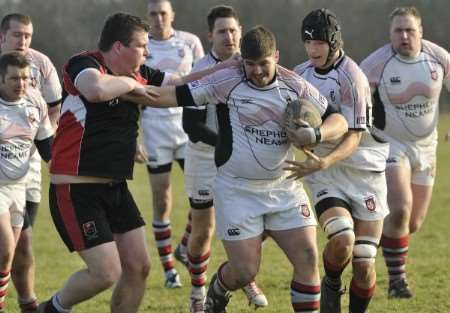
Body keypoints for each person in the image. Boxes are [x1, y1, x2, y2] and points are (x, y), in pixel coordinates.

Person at [37, 12, 237, 313]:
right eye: (142, 46)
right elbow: (96, 90)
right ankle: (50, 309)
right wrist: (131, 87)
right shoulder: (85, 64)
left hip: (115, 189)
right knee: (106, 273)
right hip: (76, 191)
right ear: (118, 47)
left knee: (139, 266)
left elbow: (180, 82)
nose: (147, 52)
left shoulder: (140, 72)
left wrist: (227, 69)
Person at [140, 25, 348, 313]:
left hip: (284, 186)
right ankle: (218, 291)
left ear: (276, 56)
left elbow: (338, 120)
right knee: (245, 271)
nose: (258, 71)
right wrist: (125, 90)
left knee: (307, 258)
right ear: (243, 62)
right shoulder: (226, 81)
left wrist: (316, 135)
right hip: (237, 190)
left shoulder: (295, 85)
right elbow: (169, 97)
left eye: (264, 63)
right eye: (251, 65)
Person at [289, 9, 390, 313]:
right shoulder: (300, 75)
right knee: (343, 239)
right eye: (308, 43)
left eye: (319, 42)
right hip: (326, 174)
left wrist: (326, 159)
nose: (313, 49)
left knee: (363, 260)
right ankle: (332, 281)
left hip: (365, 172)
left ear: (333, 42)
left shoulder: (353, 78)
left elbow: (355, 137)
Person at [181, 5, 267, 312]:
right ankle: (196, 294)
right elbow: (191, 127)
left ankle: (242, 273)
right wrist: (226, 145)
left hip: (243, 159)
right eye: (221, 31)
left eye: (233, 30)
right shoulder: (201, 70)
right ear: (210, 35)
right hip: (205, 158)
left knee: (254, 223)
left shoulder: (253, 67)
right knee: (203, 230)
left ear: (241, 32)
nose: (228, 36)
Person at [360, 6, 450, 299]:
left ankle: (367, 244)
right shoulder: (377, 63)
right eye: (398, 31)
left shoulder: (438, 58)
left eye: (410, 30)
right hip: (390, 146)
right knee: (399, 210)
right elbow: (354, 93)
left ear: (420, 32)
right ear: (390, 34)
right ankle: (397, 282)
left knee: (412, 223)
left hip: (427, 147)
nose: (404, 36)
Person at [141, 0, 205, 288]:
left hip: (187, 126)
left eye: (163, 13)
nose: (158, 18)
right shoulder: (141, 46)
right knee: (162, 200)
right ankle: (169, 271)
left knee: (204, 192)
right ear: (147, 16)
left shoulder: (189, 42)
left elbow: (204, 80)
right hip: (155, 129)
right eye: (153, 13)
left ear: (172, 15)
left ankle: (184, 245)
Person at [0, 13, 62, 313]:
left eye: (27, 35)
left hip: (26, 171)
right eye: (16, 35)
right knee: (6, 245)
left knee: (21, 243)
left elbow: (52, 114)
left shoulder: (39, 72)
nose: (23, 41)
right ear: (2, 37)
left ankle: (28, 304)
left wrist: (61, 167)